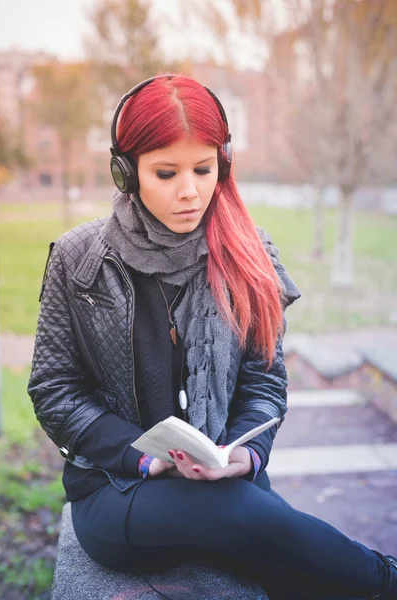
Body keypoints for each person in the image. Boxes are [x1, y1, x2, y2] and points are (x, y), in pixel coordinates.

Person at [28, 74, 396, 600]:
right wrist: (143, 457)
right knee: (255, 522)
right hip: (118, 488)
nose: (190, 190)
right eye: (166, 172)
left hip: (226, 486)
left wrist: (246, 457)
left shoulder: (249, 252)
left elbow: (265, 382)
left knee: (259, 529)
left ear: (223, 163)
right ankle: (384, 580)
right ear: (125, 172)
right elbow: (54, 389)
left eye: (204, 169)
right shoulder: (77, 258)